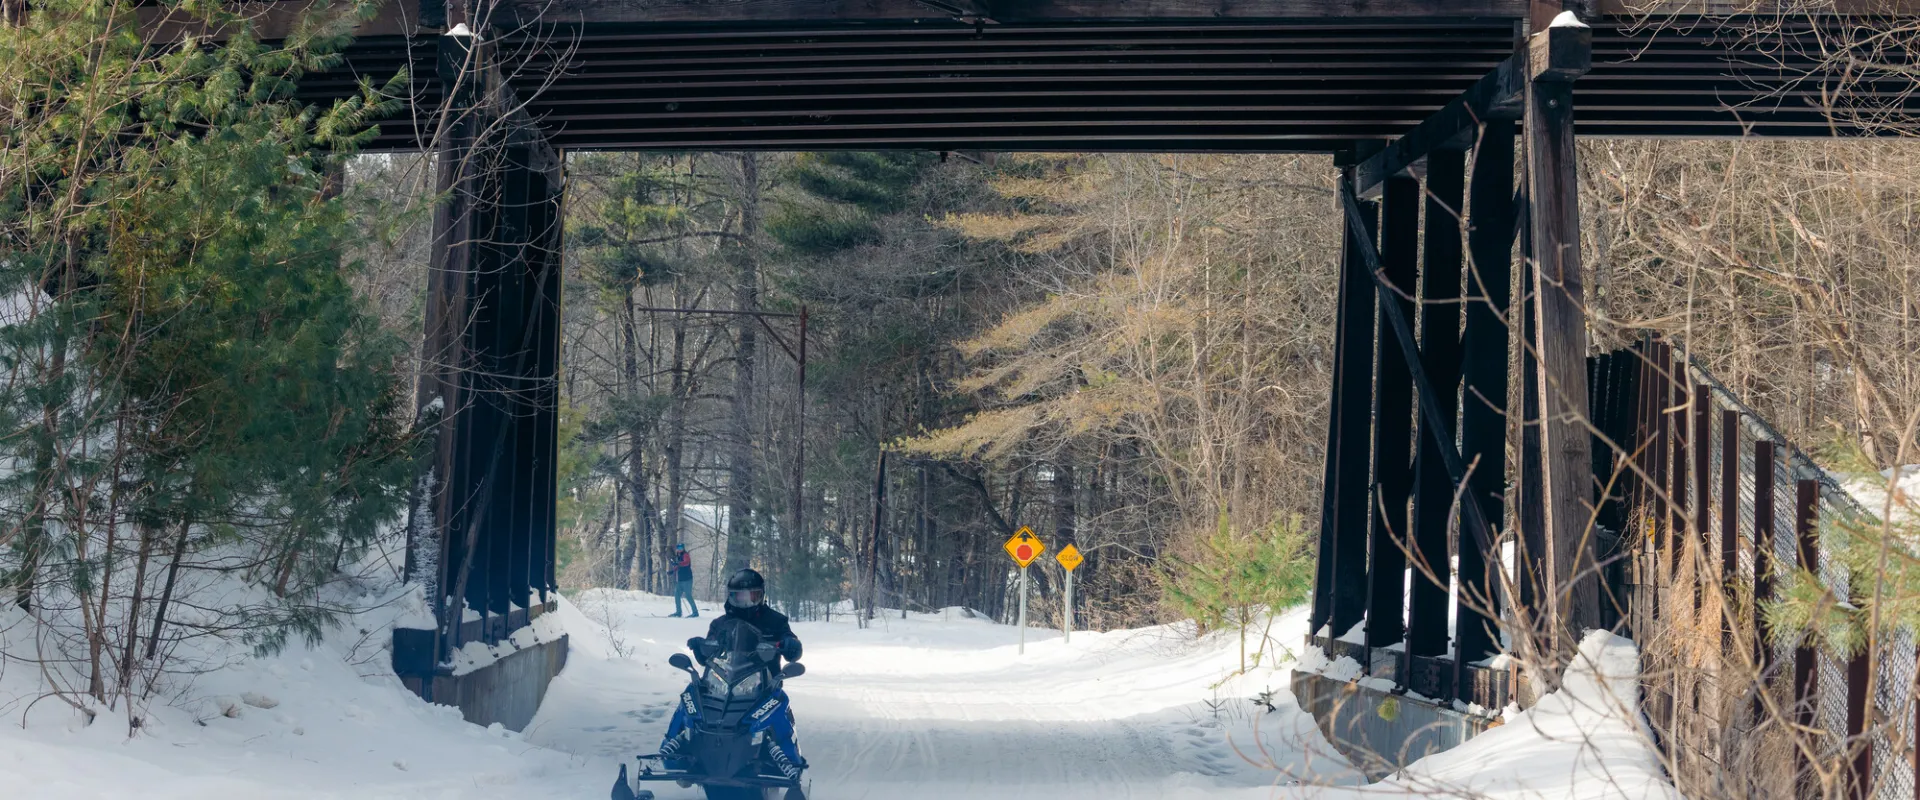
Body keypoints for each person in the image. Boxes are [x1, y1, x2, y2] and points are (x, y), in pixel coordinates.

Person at [660, 568, 806, 784]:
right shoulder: (720, 624)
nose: (745, 602)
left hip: (763, 686)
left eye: (751, 596)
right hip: (723, 684)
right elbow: (707, 658)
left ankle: (789, 762)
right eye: (739, 597)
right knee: (690, 697)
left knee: (779, 703)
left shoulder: (775, 621)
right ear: (730, 597)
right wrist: (700, 647)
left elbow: (794, 651)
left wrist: (789, 644)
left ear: (761, 595)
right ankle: (673, 751)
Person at [667, 543, 698, 618]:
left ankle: (695, 612)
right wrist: (673, 571)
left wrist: (677, 563)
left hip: (687, 579)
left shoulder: (685, 555)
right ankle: (678, 612)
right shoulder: (678, 556)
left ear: (683, 548)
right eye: (678, 547)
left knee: (688, 595)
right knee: (677, 595)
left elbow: (686, 563)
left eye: (681, 547)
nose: (679, 549)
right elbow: (678, 566)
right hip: (680, 580)